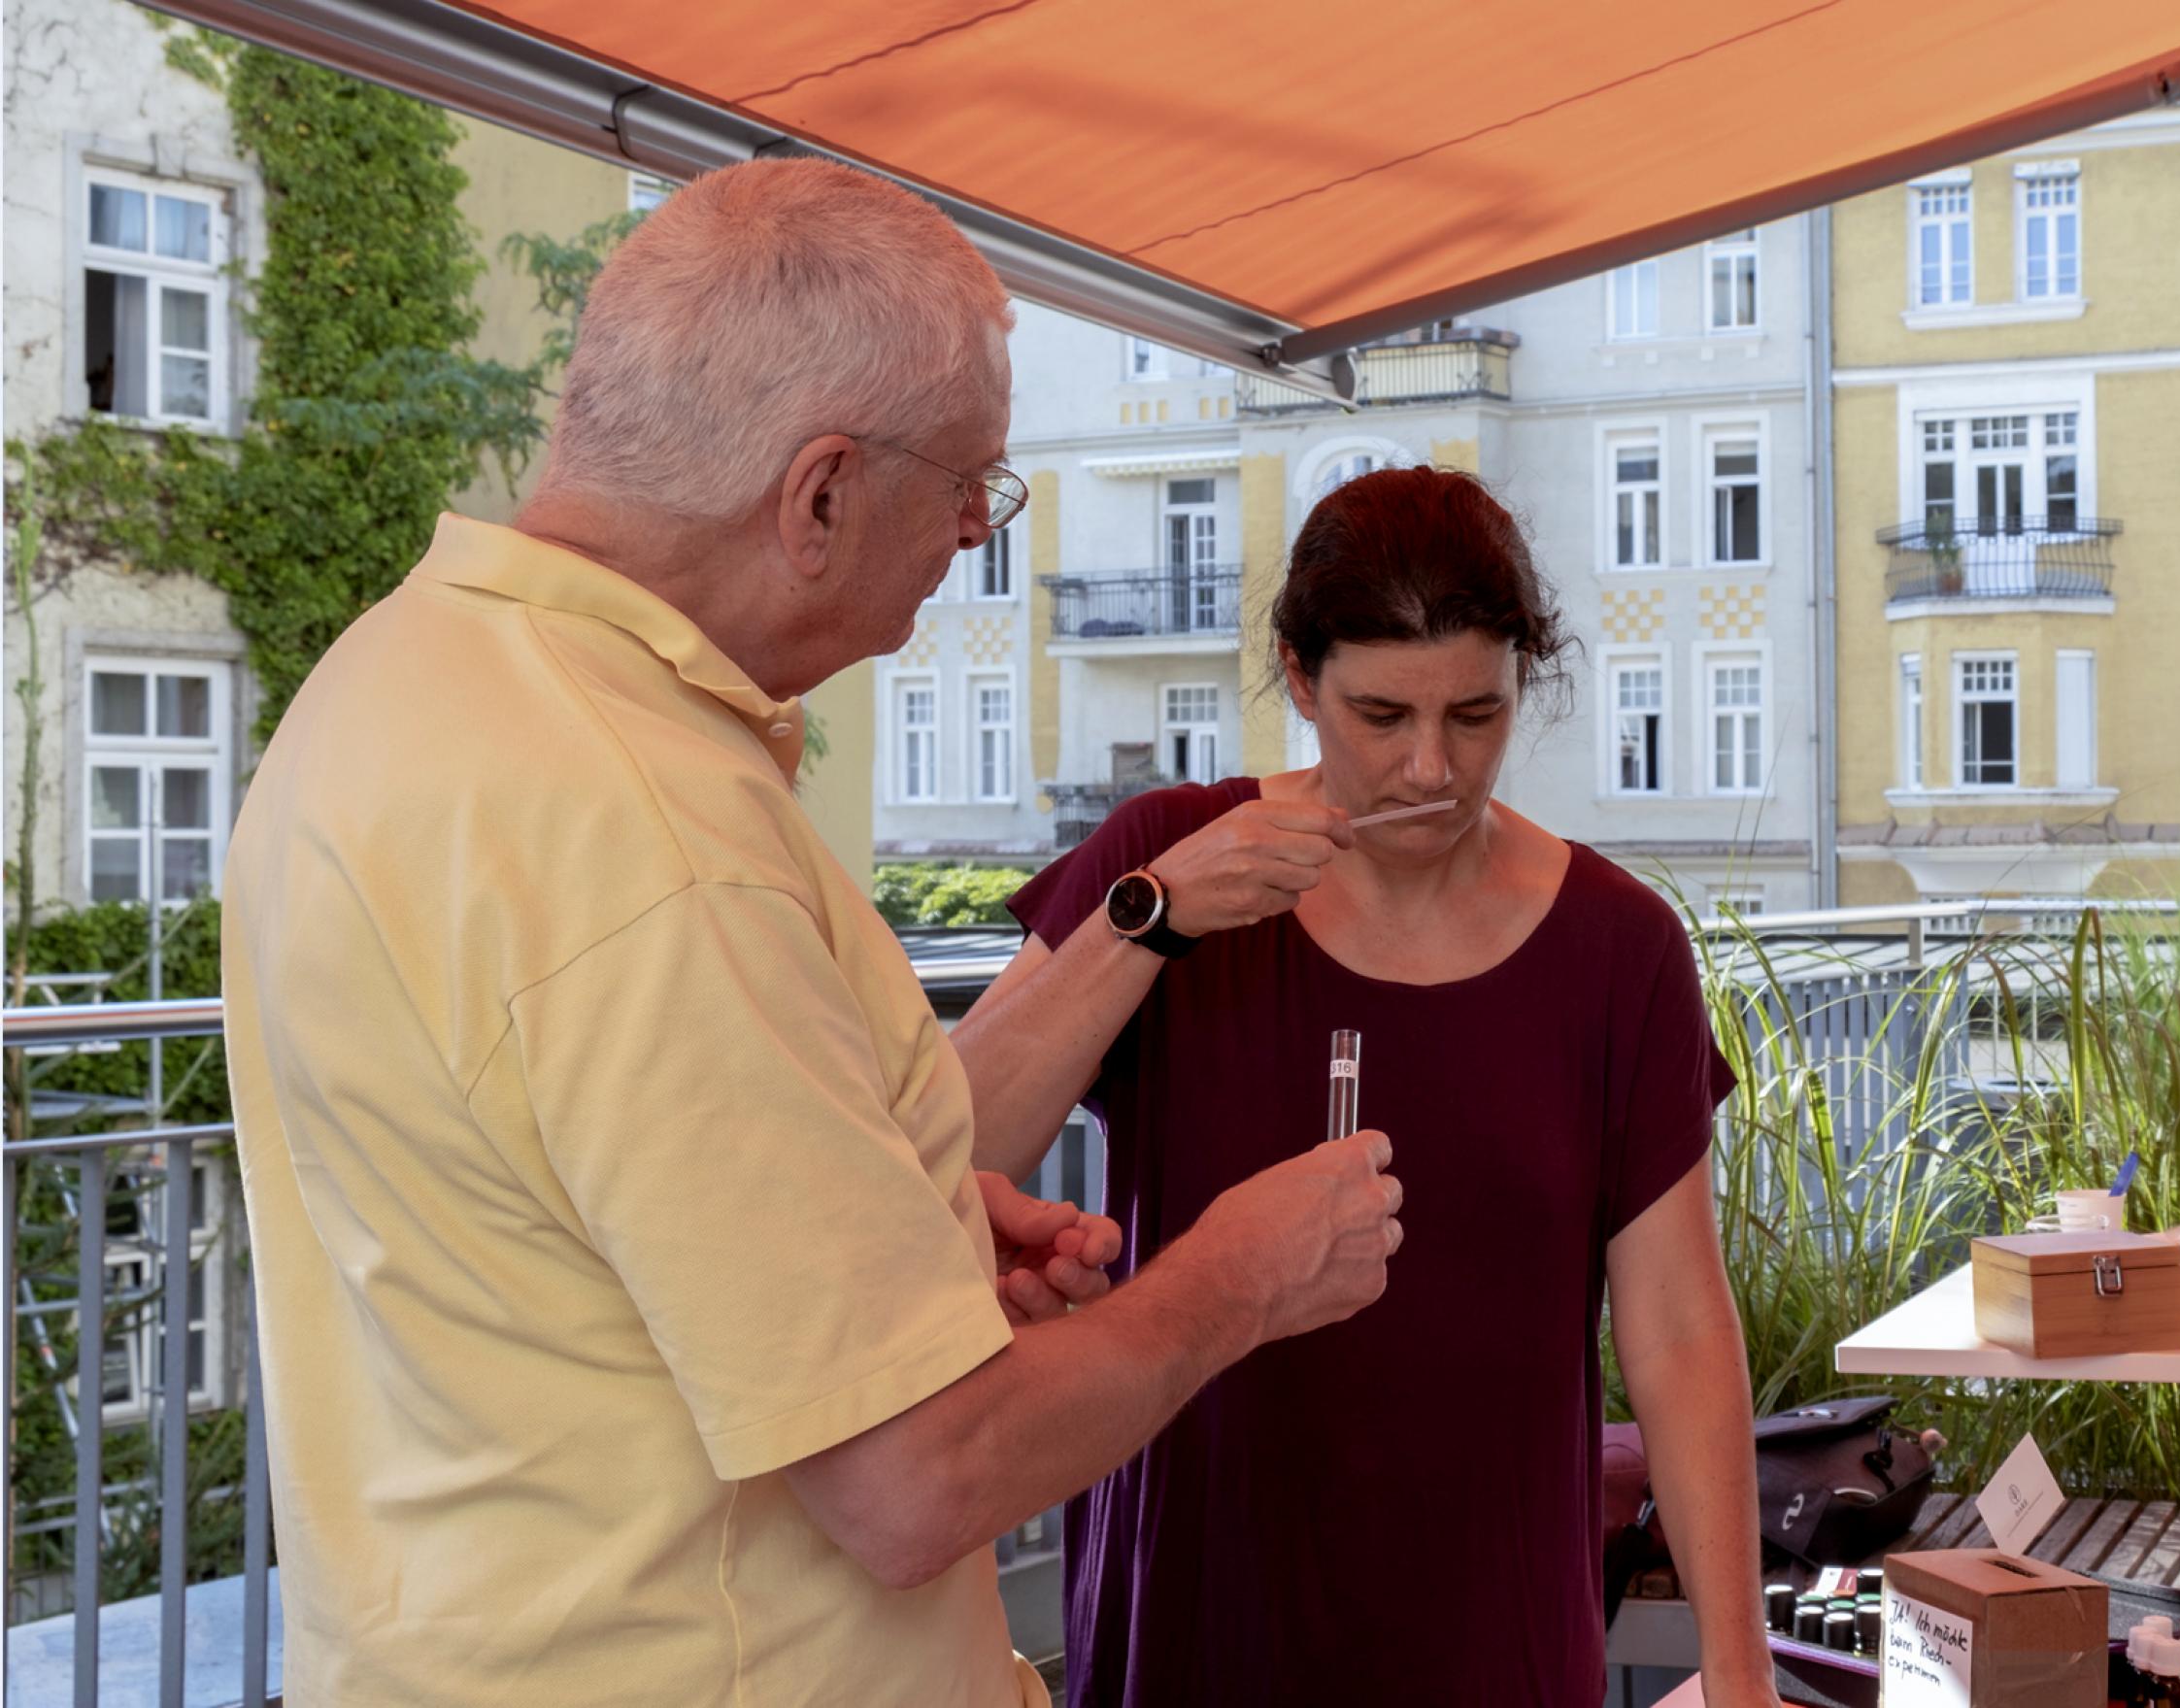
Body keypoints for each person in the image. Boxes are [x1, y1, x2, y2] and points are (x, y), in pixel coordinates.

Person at [218, 158, 1400, 1707]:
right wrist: (1236, 1275)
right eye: (972, 480)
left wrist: (892, 1219)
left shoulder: (394, 683)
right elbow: (915, 1476)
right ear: (822, 492)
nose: (979, 530)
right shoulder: (648, 827)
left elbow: (552, 1237)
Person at [952, 466, 1776, 1707]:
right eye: (1383, 716)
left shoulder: (1619, 948)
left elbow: (1678, 1332)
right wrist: (1154, 922)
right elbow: (951, 1151)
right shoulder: (1164, 861)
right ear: (1300, 676)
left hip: (1491, 1633)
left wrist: (1744, 1673)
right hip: (1196, 1612)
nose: (1431, 770)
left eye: (1477, 715)